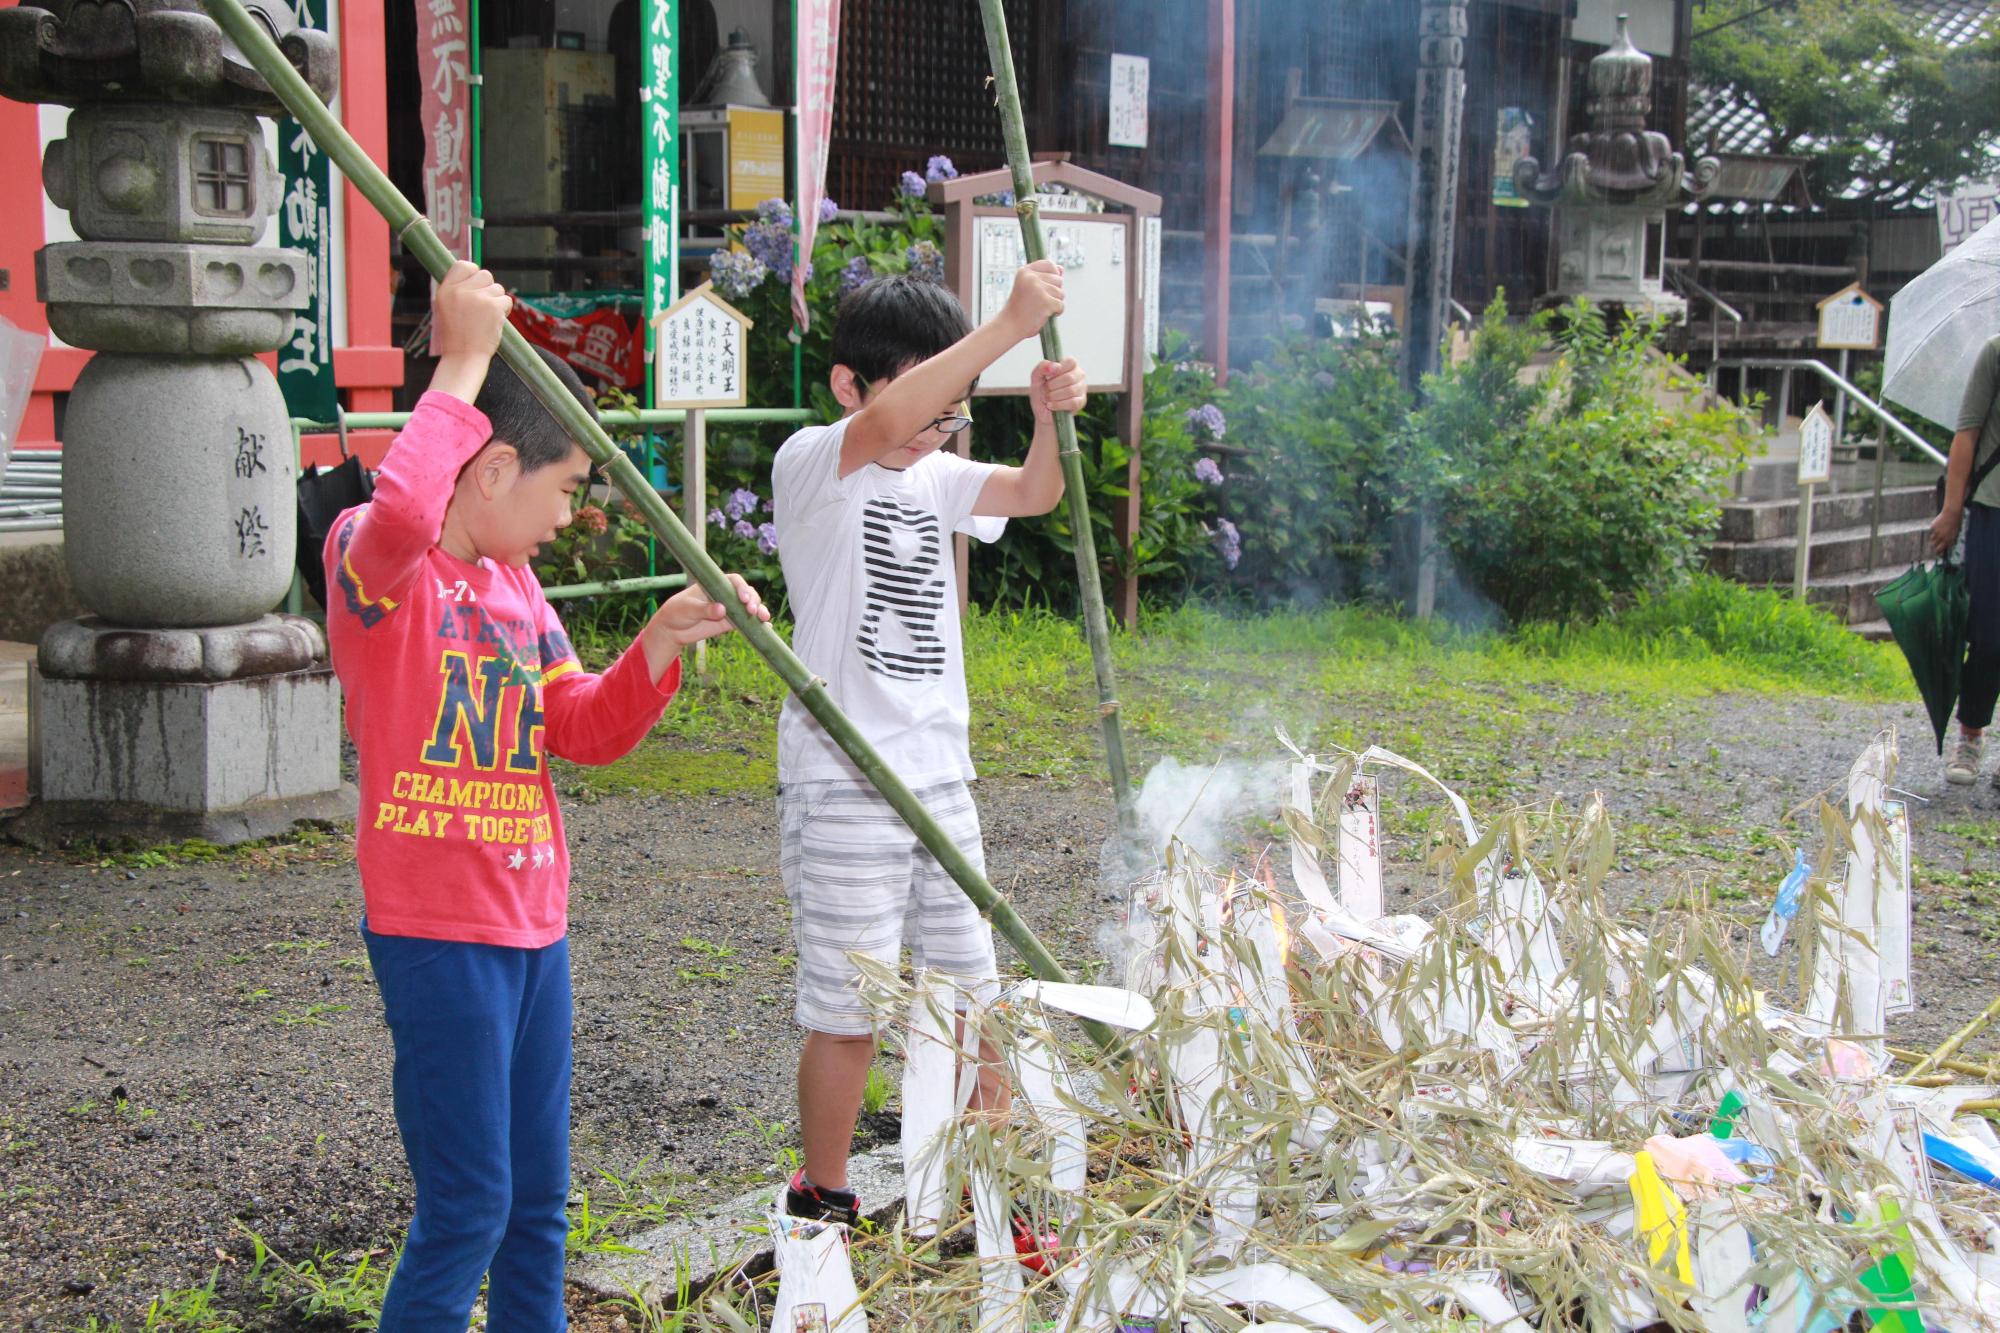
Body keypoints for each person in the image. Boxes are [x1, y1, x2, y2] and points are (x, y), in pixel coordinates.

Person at [324, 260, 769, 1331]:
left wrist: (658, 640)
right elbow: (397, 508)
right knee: (467, 1203)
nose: (570, 517)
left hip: (534, 926)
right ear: (494, 468)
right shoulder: (381, 569)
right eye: (564, 488)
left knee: (535, 1205)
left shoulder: (521, 594)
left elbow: (576, 726)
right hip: (438, 931)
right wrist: (465, 356)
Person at [770, 264, 1084, 1227]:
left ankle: (985, 1192)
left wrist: (1044, 415)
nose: (931, 426)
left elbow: (1034, 492)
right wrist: (1004, 325)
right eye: (923, 403)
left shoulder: (940, 474)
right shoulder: (818, 459)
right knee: (849, 1007)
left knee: (974, 996)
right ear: (847, 386)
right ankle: (823, 1195)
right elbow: (886, 422)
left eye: (950, 412)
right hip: (842, 778)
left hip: (941, 769)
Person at [1931, 331, 2000, 785]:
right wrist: (1952, 510)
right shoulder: (1996, 350)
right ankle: (1970, 734)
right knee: (1990, 631)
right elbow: (1967, 433)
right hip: (1994, 510)